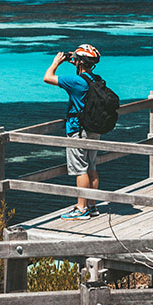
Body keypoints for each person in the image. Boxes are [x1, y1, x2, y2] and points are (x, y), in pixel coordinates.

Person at [44, 44, 102, 220]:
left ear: (80, 62)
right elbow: (83, 73)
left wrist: (56, 63)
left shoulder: (75, 81)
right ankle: (92, 206)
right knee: (92, 167)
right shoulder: (95, 78)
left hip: (78, 129)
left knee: (80, 170)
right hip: (94, 128)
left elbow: (47, 77)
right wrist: (76, 61)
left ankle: (81, 208)